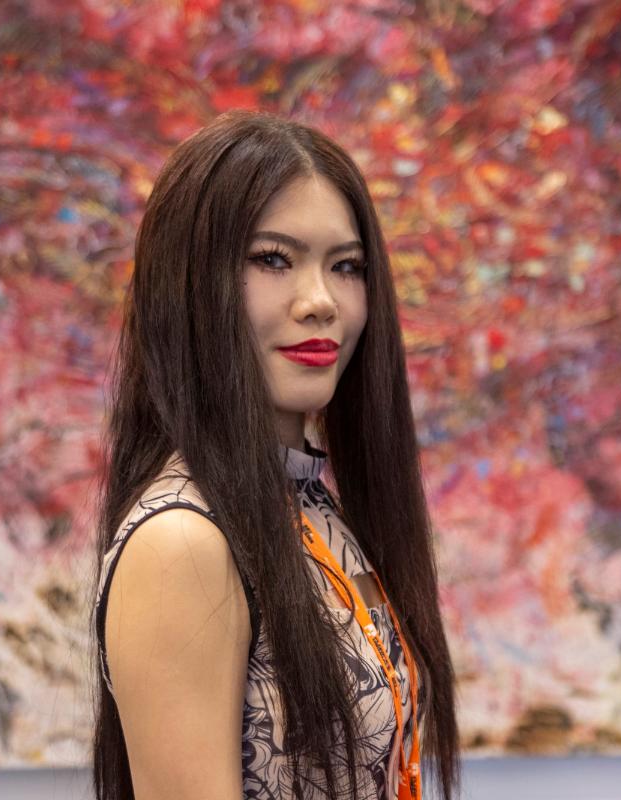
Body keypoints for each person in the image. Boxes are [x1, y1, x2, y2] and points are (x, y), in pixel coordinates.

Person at [91, 110, 461, 800]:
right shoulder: (184, 543)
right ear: (189, 284)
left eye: (346, 267)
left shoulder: (315, 506)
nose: (320, 302)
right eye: (272, 259)